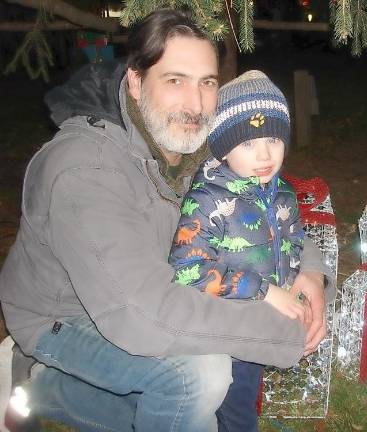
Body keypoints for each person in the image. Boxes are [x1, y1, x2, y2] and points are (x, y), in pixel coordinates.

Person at [0, 9, 334, 432]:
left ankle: (53, 389)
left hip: (153, 286)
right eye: (175, 80)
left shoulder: (198, 148)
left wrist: (310, 273)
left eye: (207, 84)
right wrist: (284, 332)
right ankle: (37, 374)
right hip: (67, 315)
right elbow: (142, 315)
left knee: (200, 393)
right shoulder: (86, 170)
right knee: (198, 377)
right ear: (136, 82)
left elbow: (259, 210)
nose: (195, 104)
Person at [169, 70, 308, 431]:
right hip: (222, 332)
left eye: (274, 139)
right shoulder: (205, 200)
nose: (264, 155)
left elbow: (293, 243)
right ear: (224, 147)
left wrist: (293, 287)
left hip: (260, 322)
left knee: (246, 396)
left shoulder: (283, 194)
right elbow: (188, 270)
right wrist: (265, 291)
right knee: (236, 407)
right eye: (247, 143)